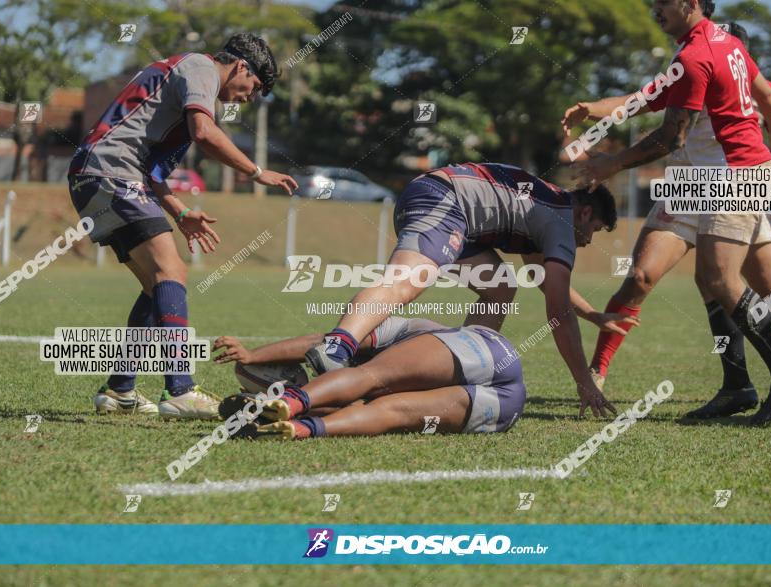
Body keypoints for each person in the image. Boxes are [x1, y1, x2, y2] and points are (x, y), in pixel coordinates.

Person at [559, 19, 771, 414]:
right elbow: (639, 99)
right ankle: (605, 371)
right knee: (643, 277)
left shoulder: (755, 85)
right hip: (687, 187)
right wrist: (594, 110)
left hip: (734, 183)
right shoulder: (690, 69)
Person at [67, 33, 298, 419]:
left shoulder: (187, 85)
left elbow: (153, 173)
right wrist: (257, 172)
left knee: (157, 284)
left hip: (96, 174)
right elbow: (205, 135)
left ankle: (120, 389)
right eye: (253, 86)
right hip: (110, 172)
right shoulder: (201, 68)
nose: (248, 97)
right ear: (240, 66)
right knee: (172, 271)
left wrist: (178, 212)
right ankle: (181, 390)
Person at [304, 162, 632, 418]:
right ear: (585, 212)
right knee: (406, 281)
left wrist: (591, 314)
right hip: (445, 200)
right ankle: (337, 347)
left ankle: (463, 366)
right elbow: (557, 310)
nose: (589, 240)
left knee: (501, 288)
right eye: (595, 230)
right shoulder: (562, 221)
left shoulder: (546, 210)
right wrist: (584, 382)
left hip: (446, 200)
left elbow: (546, 282)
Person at [212, 316, 526, 439]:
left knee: (369, 378)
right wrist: (252, 358)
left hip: (485, 346)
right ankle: (298, 426)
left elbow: (320, 343)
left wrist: (254, 357)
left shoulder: (389, 327)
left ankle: (291, 402)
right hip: (505, 407)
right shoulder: (372, 341)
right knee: (386, 407)